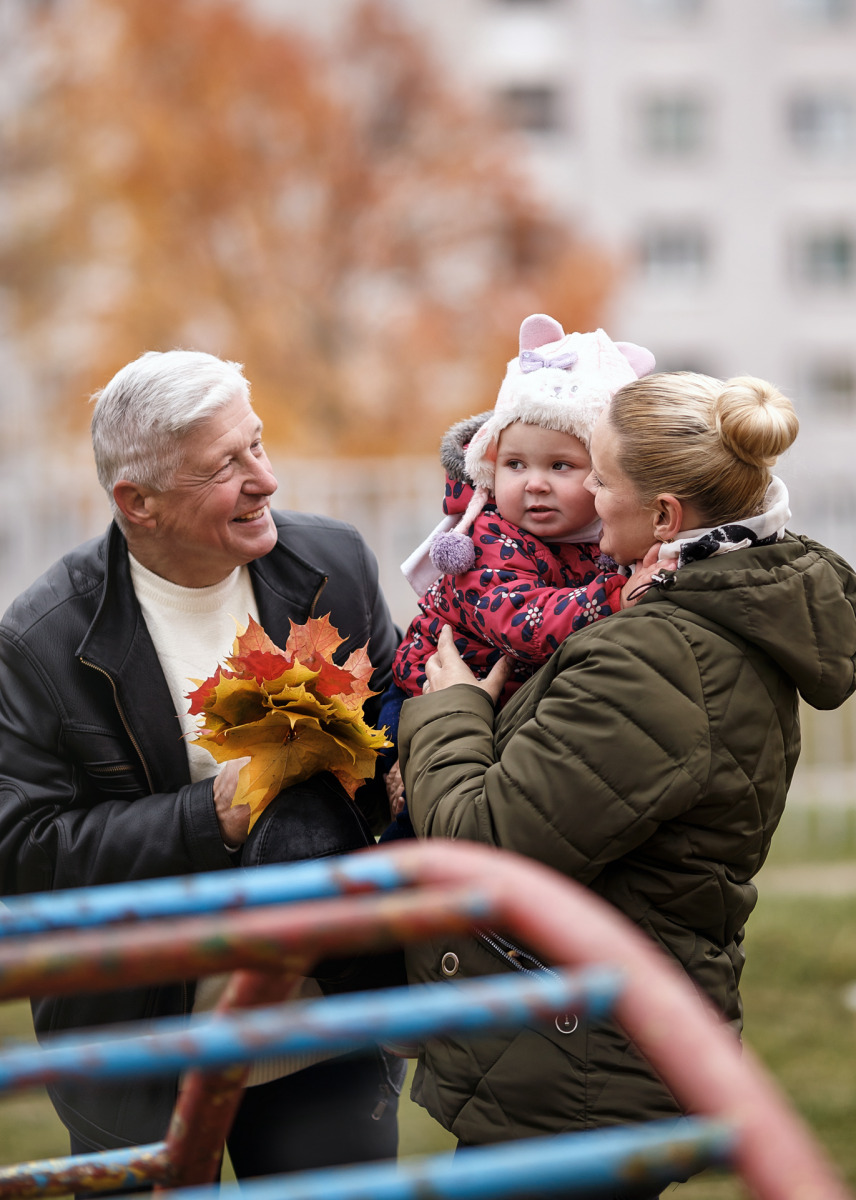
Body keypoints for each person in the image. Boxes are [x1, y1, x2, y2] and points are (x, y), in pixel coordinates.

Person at [398, 368, 856, 1197]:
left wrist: (449, 711)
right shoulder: (709, 614)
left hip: (576, 1067)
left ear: (666, 517)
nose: (588, 499)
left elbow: (486, 845)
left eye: (600, 478)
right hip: (588, 1050)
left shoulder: (656, 659)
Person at [0, 350, 404, 1178]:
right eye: (227, 465)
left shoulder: (336, 565)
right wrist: (209, 813)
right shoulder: (40, 640)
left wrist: (404, 756)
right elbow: (21, 850)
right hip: (142, 1046)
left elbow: (396, 719)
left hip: (322, 1025)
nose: (267, 480)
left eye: (257, 444)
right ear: (136, 502)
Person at [380, 314, 659, 838]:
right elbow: (522, 625)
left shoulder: (605, 544)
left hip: (504, 709)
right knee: (420, 828)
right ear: (488, 465)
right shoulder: (490, 540)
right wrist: (615, 595)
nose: (535, 484)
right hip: (427, 701)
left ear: (603, 475)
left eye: (560, 466)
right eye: (514, 465)